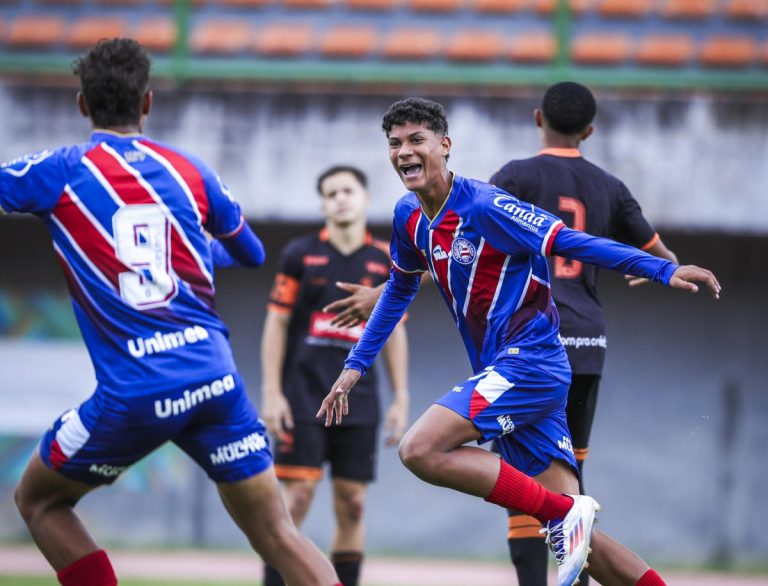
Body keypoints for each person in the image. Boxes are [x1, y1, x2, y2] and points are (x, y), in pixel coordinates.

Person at [317, 97, 720, 586]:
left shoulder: (486, 205)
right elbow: (401, 287)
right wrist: (356, 365)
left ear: (444, 146)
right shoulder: (409, 216)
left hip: (529, 364)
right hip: (513, 371)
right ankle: (569, 519)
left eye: (416, 140)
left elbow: (572, 241)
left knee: (419, 449)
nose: (405, 151)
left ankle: (561, 513)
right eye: (395, 143)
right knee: (580, 540)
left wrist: (662, 268)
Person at [3, 39, 340, 586]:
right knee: (278, 534)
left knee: (39, 501)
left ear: (82, 105)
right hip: (213, 381)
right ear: (149, 102)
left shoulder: (58, 170)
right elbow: (252, 251)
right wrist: (192, 258)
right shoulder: (188, 168)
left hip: (136, 394)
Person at [487, 81, 679, 586]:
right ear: (589, 131)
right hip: (587, 344)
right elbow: (665, 259)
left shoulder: (515, 177)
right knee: (570, 483)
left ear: (537, 119)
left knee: (525, 479)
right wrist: (646, 268)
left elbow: (468, 240)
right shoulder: (610, 187)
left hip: (527, 342)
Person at [260, 165, 410, 586]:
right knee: (297, 499)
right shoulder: (299, 255)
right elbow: (276, 324)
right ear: (323, 204)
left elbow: (395, 330)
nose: (340, 198)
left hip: (359, 401)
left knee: (353, 503)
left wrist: (401, 396)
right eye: (330, 193)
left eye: (348, 190)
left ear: (364, 198)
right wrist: (272, 392)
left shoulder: (387, 259)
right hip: (303, 395)